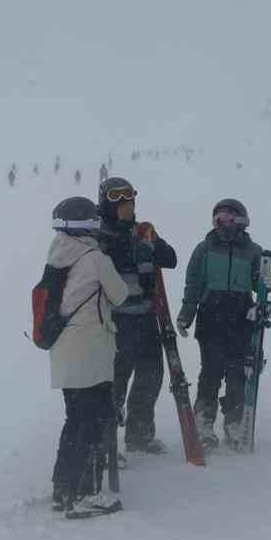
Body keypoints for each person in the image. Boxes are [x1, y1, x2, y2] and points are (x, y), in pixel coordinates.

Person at [43, 196, 129, 517]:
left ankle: (62, 489)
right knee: (93, 424)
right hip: (91, 353)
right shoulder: (96, 259)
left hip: (64, 352)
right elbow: (119, 295)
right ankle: (83, 494)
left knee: (75, 421)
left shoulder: (57, 252)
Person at [176, 199, 270, 449]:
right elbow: (193, 284)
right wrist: (187, 313)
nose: (223, 224)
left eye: (228, 219)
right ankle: (204, 423)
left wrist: (265, 284)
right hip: (211, 317)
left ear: (240, 221)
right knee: (211, 371)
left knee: (238, 373)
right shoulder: (205, 249)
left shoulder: (253, 251)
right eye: (218, 219)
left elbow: (258, 284)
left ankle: (234, 422)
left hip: (240, 317)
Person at [97, 177, 178, 454]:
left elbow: (171, 259)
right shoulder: (101, 236)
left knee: (150, 375)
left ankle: (139, 435)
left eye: (129, 199)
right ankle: (106, 444)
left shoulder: (143, 231)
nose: (125, 205)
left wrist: (150, 244)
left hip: (145, 317)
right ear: (106, 204)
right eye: (117, 200)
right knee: (114, 381)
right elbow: (102, 268)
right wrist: (131, 248)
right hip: (115, 321)